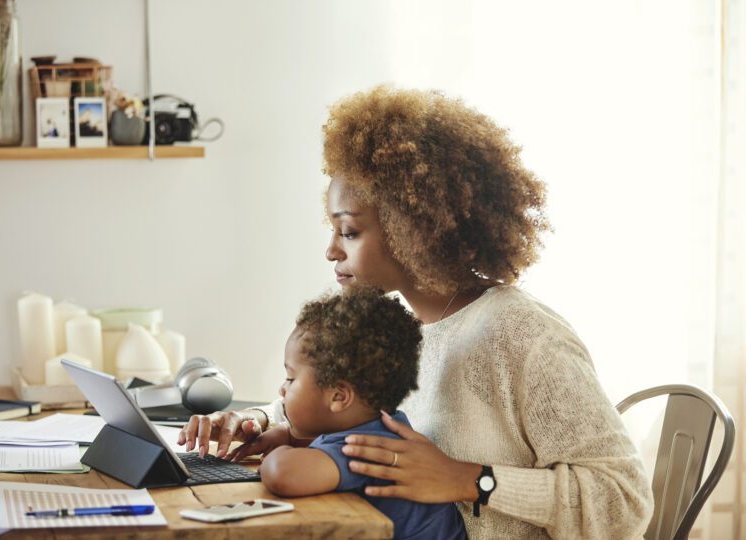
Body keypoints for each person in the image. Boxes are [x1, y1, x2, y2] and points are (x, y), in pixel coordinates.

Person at [178, 86, 653, 538]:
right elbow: (344, 404)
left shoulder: (521, 334)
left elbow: (624, 502)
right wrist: (259, 422)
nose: (330, 251)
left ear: (414, 227)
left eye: (349, 232)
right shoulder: (403, 329)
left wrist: (471, 480)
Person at [239, 286, 466, 539]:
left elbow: (283, 474)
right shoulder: (385, 427)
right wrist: (289, 437)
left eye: (291, 378)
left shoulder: (368, 448)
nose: (282, 389)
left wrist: (278, 454)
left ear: (338, 396)